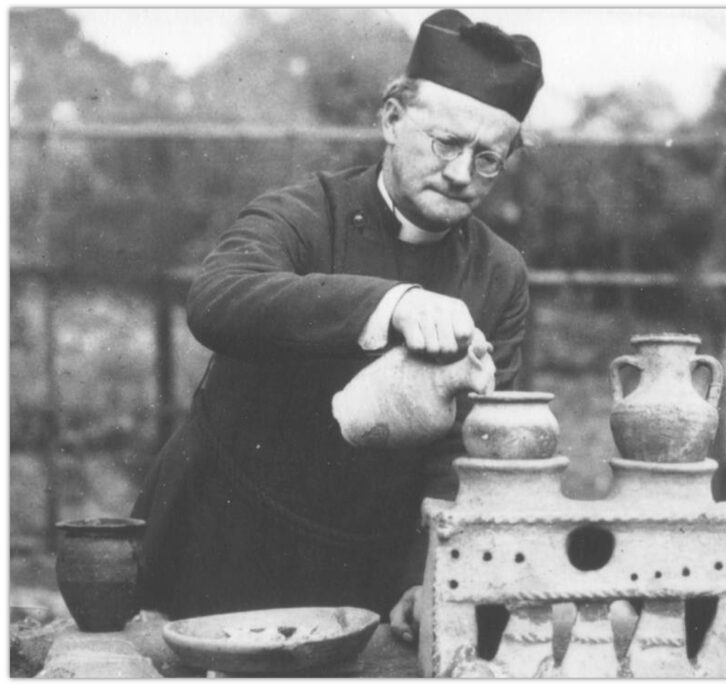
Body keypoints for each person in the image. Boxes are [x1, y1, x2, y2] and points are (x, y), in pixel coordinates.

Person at [130, 8, 543, 644]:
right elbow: (217, 300)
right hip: (221, 543)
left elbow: (474, 446)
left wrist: (428, 574)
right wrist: (394, 304)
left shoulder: (500, 272)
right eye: (446, 143)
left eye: (488, 158)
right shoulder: (299, 213)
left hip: (369, 573)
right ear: (391, 119)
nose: (462, 174)